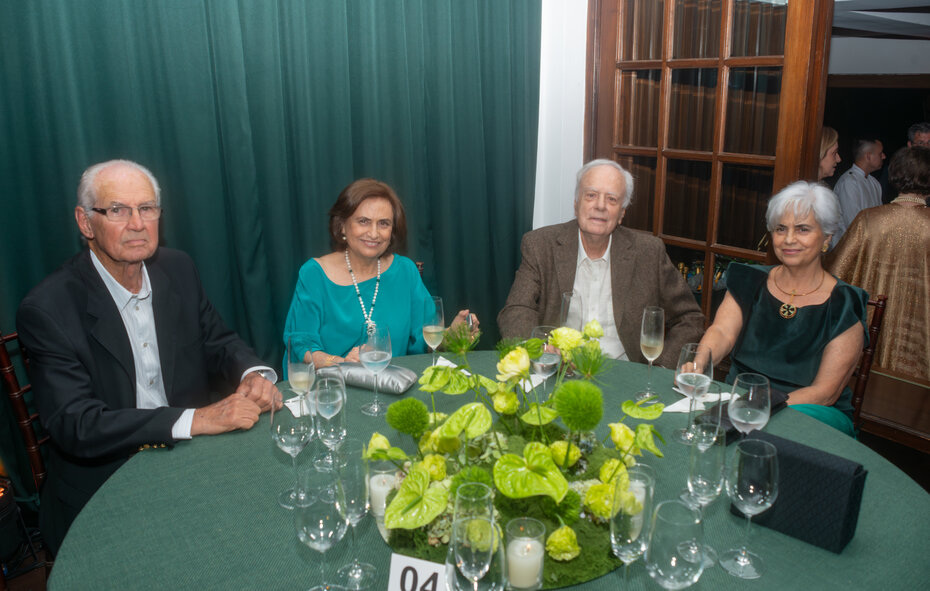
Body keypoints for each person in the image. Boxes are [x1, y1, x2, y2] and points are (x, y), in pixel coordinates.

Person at [16, 160, 278, 554]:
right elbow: (77, 424)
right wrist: (198, 419)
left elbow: (218, 341)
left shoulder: (178, 268)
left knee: (268, 530)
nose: (137, 223)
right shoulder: (48, 308)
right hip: (104, 483)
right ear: (85, 223)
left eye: (148, 208)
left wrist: (254, 373)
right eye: (118, 210)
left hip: (192, 464)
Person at [497, 159, 704, 368]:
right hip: (559, 372)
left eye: (612, 199)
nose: (600, 206)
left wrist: (660, 369)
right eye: (591, 195)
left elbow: (689, 318)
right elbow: (516, 309)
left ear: (622, 214)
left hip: (627, 377)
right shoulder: (540, 245)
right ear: (576, 203)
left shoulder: (648, 253)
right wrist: (538, 350)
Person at [698, 181, 868, 435]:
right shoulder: (749, 280)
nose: (789, 239)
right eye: (780, 229)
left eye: (803, 229)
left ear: (827, 236)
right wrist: (699, 364)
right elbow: (722, 332)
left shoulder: (844, 303)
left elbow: (826, 392)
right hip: (740, 400)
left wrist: (756, 409)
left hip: (810, 412)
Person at [283, 178, 475, 369]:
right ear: (342, 225)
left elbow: (426, 339)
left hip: (391, 388)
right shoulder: (314, 274)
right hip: (332, 388)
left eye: (383, 224)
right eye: (364, 221)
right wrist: (342, 363)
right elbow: (302, 346)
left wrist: (451, 335)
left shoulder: (405, 271)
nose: (374, 233)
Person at [828, 146, 930, 381]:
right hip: (919, 340)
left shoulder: (869, 219)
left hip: (866, 335)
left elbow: (837, 270)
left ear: (895, 175)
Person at [832, 138, 885, 245]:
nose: (884, 156)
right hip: (847, 250)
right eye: (880, 154)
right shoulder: (849, 183)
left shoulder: (874, 183)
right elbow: (854, 225)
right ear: (868, 156)